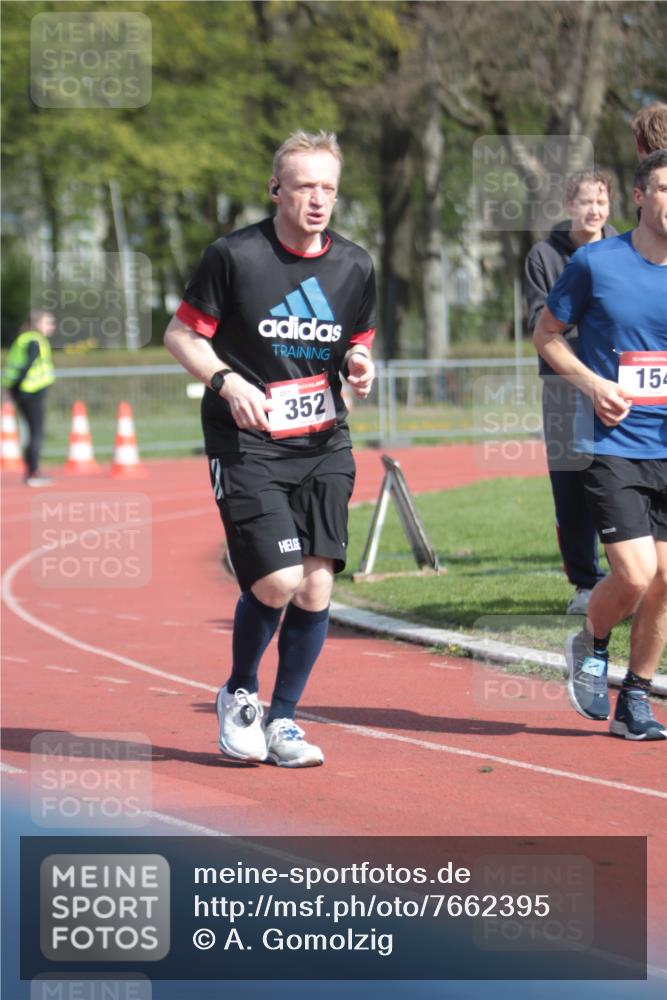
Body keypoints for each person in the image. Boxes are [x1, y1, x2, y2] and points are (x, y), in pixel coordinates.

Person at [164, 130, 376, 767]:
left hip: (324, 441)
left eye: (328, 188)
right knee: (280, 579)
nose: (318, 199)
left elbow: (358, 339)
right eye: (305, 186)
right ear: (275, 189)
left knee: (316, 588)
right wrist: (226, 383)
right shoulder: (235, 256)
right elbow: (181, 335)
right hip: (247, 443)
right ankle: (239, 694)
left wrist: (360, 363)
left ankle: (284, 720)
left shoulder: (355, 265)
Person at [533, 149, 667, 741]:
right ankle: (591, 639)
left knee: (665, 582)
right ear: (639, 197)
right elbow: (546, 335)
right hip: (611, 441)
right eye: (664, 188)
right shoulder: (594, 262)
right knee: (635, 575)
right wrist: (592, 384)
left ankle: (635, 699)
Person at [525, 170, 616, 615]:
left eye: (601, 201)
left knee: (623, 480)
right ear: (568, 205)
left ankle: (629, 578)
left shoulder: (627, 250)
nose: (594, 210)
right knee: (571, 488)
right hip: (562, 389)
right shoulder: (543, 256)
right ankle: (585, 583)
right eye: (585, 201)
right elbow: (539, 323)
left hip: (618, 386)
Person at [1, 310, 56, 486]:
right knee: (36, 433)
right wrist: (15, 388)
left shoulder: (24, 339)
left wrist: (11, 389)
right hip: (30, 393)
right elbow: (26, 366)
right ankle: (32, 472)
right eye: (48, 323)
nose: (51, 327)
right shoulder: (34, 341)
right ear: (37, 324)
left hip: (23, 392)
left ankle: (32, 471)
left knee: (32, 433)